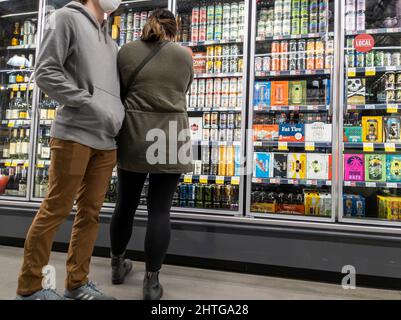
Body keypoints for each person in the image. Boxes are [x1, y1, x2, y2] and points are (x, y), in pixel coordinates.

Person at [16, 0, 125, 300]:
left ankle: (77, 284)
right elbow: (45, 72)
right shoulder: (64, 18)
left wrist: (114, 115)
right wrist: (88, 102)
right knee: (55, 210)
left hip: (106, 141)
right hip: (74, 134)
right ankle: (30, 288)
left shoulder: (110, 40)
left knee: (90, 214)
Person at [110, 8, 194, 300]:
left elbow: (117, 91)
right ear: (175, 28)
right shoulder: (184, 56)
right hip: (171, 135)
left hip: (134, 132)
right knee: (160, 210)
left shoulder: (126, 52)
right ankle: (151, 281)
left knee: (126, 204)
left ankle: (118, 265)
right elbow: (184, 89)